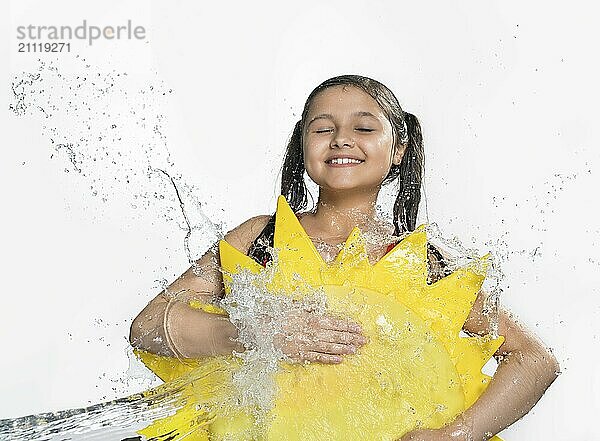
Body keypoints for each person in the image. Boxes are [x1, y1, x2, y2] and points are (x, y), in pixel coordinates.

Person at [130, 75, 560, 440]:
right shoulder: (262, 238)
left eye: (364, 128)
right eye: (322, 129)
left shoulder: (427, 262)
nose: (341, 139)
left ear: (399, 148)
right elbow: (147, 326)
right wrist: (253, 332)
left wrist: (456, 434)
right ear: (302, 146)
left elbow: (534, 359)